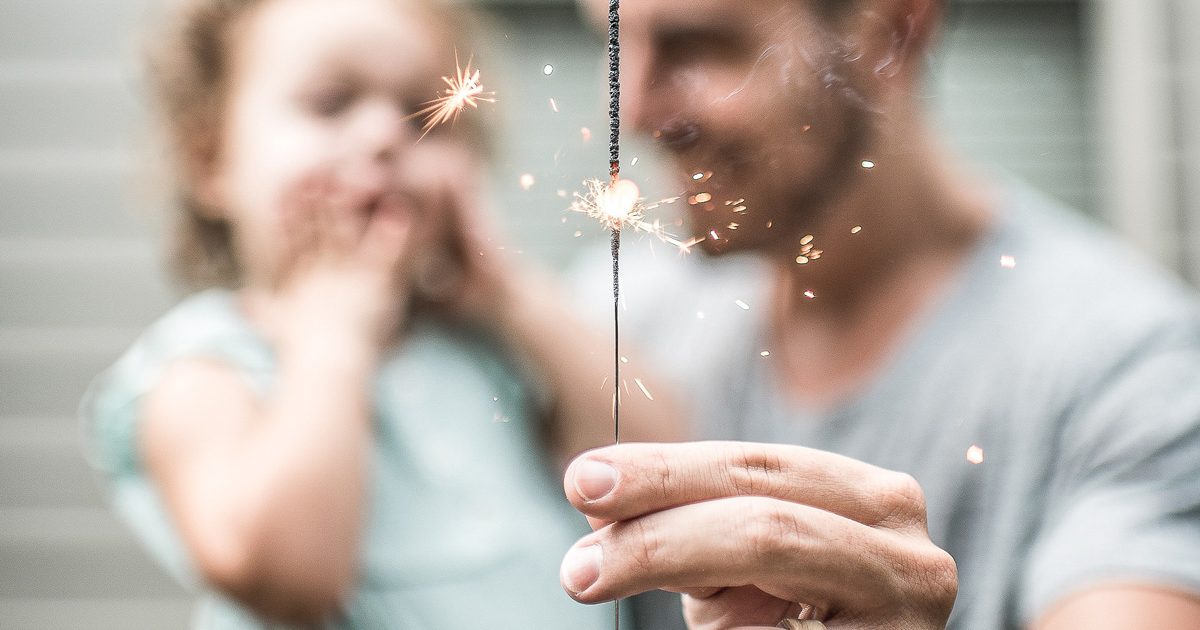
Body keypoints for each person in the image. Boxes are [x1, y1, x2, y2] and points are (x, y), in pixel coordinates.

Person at [559, 0, 1200, 628]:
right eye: (614, 46)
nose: (636, 111)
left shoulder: (1132, 370)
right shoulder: (627, 311)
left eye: (696, 46)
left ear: (891, 32)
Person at [80, 0, 679, 627]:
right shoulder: (207, 366)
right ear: (212, 158)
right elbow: (288, 578)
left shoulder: (488, 347)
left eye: (428, 118)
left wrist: (508, 291)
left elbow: (667, 467)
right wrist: (334, 337)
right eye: (331, 102)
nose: (386, 135)